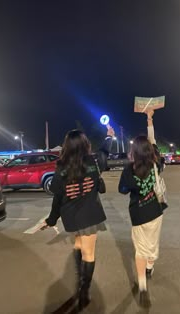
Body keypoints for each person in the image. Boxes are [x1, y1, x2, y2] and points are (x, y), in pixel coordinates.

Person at [41, 127, 114, 311]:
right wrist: (109, 137)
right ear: (85, 144)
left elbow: (57, 197)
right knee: (89, 253)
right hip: (90, 215)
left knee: (79, 244)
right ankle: (84, 292)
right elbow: (104, 151)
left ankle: (79, 276)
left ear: (67, 146)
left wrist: (51, 220)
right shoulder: (94, 161)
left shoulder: (61, 167)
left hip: (71, 218)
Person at [118, 110, 167, 308]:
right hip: (156, 211)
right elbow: (152, 139)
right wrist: (149, 119)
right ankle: (150, 266)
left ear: (134, 152)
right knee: (152, 243)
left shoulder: (129, 170)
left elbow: (122, 190)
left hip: (138, 213)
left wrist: (132, 185)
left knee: (140, 248)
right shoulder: (156, 163)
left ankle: (143, 285)